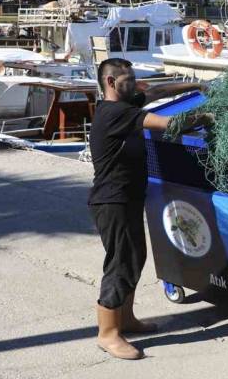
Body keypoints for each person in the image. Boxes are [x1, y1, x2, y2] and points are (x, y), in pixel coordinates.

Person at [88, 58, 211, 360]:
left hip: (127, 197)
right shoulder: (117, 113)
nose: (135, 83)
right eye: (128, 79)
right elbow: (170, 125)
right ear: (111, 83)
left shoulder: (124, 104)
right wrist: (205, 116)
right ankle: (107, 334)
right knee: (120, 265)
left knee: (135, 257)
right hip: (112, 201)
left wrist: (195, 84)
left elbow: (157, 91)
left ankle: (126, 319)